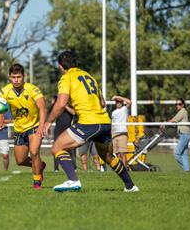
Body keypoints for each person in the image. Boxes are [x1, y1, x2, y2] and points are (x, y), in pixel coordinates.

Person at [42, 50, 138, 192]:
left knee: (57, 147)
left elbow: (61, 103)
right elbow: (103, 103)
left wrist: (48, 121)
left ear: (60, 66)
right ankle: (130, 186)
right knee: (108, 157)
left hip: (88, 122)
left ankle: (72, 180)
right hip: (104, 122)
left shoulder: (66, 78)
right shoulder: (89, 76)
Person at [0, 63, 47, 189]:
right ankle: (40, 165)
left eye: (19, 76)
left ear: (24, 76)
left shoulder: (33, 89)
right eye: (13, 77)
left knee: (34, 152)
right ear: (9, 77)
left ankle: (36, 182)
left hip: (34, 127)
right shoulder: (5, 91)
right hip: (19, 129)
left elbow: (43, 107)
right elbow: (0, 108)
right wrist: (0, 121)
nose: (16, 79)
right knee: (20, 160)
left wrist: (41, 126)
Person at [51, 95, 77, 172]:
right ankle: (56, 168)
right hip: (58, 130)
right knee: (56, 148)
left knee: (71, 149)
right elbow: (52, 113)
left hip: (68, 130)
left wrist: (65, 106)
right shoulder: (57, 107)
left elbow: (74, 113)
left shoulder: (71, 105)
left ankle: (74, 167)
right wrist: (55, 104)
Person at [166, 98, 190, 172]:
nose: (178, 105)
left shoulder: (182, 111)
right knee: (184, 154)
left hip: (184, 134)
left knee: (177, 153)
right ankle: (187, 171)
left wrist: (164, 123)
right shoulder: (182, 111)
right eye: (176, 104)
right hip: (184, 134)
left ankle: (187, 169)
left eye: (179, 104)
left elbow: (174, 119)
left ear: (183, 105)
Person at [111, 95, 131, 168]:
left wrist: (118, 96)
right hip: (114, 134)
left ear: (122, 103)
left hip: (122, 133)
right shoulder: (113, 112)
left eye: (120, 102)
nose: (118, 103)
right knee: (117, 154)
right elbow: (113, 123)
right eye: (117, 102)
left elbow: (129, 102)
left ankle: (125, 169)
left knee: (123, 153)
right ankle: (120, 169)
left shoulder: (124, 109)